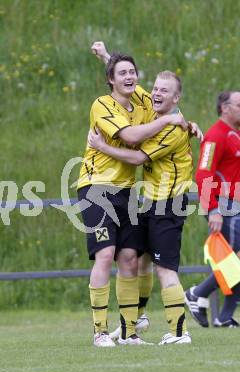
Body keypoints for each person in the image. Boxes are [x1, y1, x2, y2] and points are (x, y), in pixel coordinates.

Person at [77, 49, 189, 347]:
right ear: (110, 81)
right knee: (105, 254)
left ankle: (129, 333)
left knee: (129, 258)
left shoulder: (141, 102)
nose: (129, 77)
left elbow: (162, 100)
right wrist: (171, 122)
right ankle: (100, 331)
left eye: (133, 72)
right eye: (122, 73)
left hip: (126, 191)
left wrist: (187, 123)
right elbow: (130, 138)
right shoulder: (102, 105)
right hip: (96, 187)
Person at [185, 90, 240, 328]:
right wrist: (212, 209)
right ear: (225, 107)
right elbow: (203, 174)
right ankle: (196, 293)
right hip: (226, 207)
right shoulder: (215, 136)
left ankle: (224, 317)